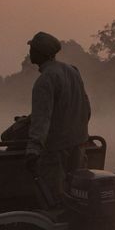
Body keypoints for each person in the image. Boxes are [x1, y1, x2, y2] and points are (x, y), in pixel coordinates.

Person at [24, 31, 92, 207]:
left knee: (54, 199)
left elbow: (42, 118)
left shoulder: (45, 80)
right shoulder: (72, 71)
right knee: (76, 194)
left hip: (56, 151)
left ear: (40, 53)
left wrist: (33, 150)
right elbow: (86, 109)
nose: (29, 52)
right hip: (78, 146)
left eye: (31, 49)